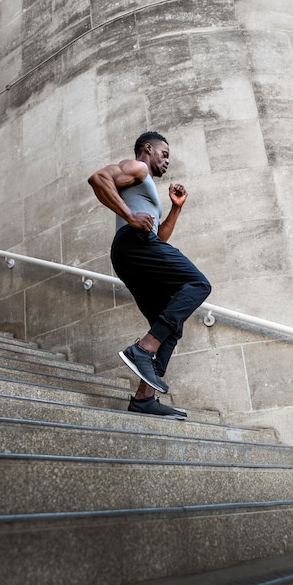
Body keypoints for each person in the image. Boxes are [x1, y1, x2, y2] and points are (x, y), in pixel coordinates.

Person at [88, 131, 211, 419]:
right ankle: (143, 349)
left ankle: (144, 399)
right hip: (133, 243)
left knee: (169, 326)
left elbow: (159, 238)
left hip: (137, 251)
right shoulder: (137, 167)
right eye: (164, 154)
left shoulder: (147, 191)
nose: (167, 161)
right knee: (198, 284)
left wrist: (174, 210)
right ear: (148, 149)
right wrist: (129, 216)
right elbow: (98, 179)